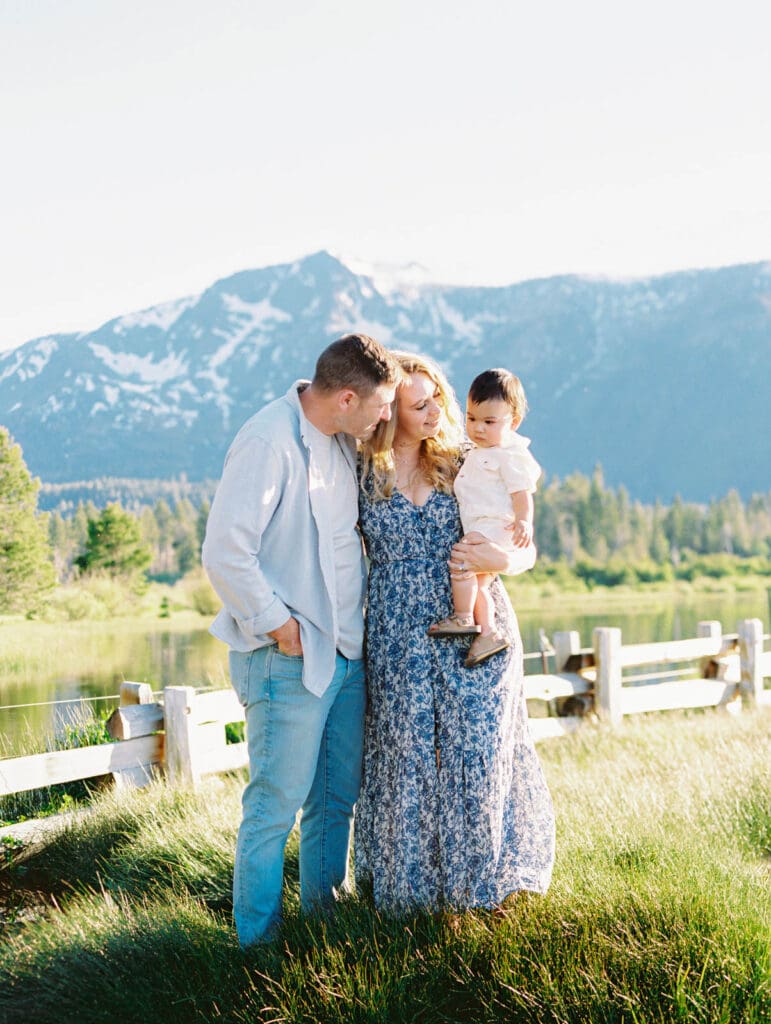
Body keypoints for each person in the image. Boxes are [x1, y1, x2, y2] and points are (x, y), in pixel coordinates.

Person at [201, 333, 400, 948]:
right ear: (346, 398)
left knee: (335, 802)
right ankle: (255, 949)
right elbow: (225, 553)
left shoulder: (343, 442)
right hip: (286, 658)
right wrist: (279, 625)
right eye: (382, 405)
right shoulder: (269, 441)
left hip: (346, 656)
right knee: (273, 811)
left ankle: (322, 926)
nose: (386, 415)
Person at [354, 351, 555, 915]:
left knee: (479, 752)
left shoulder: (468, 457)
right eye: (421, 403)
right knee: (407, 754)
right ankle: (411, 896)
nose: (437, 410)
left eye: (439, 397)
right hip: (396, 632)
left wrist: (504, 558)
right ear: (389, 410)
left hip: (476, 627)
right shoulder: (360, 469)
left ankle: (480, 893)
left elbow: (523, 544)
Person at [428, 368, 540, 667]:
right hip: (485, 526)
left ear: (513, 422)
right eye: (471, 418)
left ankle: (465, 617)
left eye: (489, 422)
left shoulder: (508, 455)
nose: (477, 428)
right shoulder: (475, 452)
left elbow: (521, 493)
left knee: (463, 561)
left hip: (493, 528)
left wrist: (523, 522)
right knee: (477, 583)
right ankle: (487, 631)